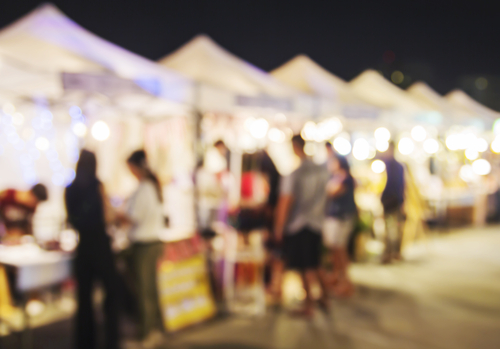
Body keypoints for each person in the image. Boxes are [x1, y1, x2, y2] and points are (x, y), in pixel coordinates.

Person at [65, 150, 120, 349]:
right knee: (111, 295)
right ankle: (111, 340)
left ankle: (85, 342)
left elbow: (71, 220)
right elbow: (108, 217)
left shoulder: (69, 189)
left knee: (84, 300)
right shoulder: (98, 186)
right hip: (101, 246)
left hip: (83, 248)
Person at [274, 135, 330, 317]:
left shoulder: (295, 173)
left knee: (304, 265)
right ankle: (324, 298)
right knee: (316, 263)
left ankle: (309, 306)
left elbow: (286, 200)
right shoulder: (322, 170)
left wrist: (279, 227)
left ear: (294, 146)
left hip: (299, 224)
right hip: (317, 223)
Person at [120, 150, 164, 348]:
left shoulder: (145, 189)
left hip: (144, 245)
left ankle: (146, 335)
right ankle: (152, 331)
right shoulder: (151, 187)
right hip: (151, 242)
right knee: (149, 290)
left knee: (144, 291)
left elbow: (133, 218)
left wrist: (113, 215)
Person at [323, 144, 357, 297]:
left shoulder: (345, 178)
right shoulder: (336, 177)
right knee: (335, 249)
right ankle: (337, 277)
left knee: (340, 249)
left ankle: (345, 281)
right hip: (335, 217)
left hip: (343, 218)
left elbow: (332, 192)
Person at [380, 141, 406, 263]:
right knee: (393, 228)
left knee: (392, 229)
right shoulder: (395, 166)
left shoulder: (389, 166)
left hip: (391, 202)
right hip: (393, 202)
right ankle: (393, 253)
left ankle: (391, 253)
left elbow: (398, 186)